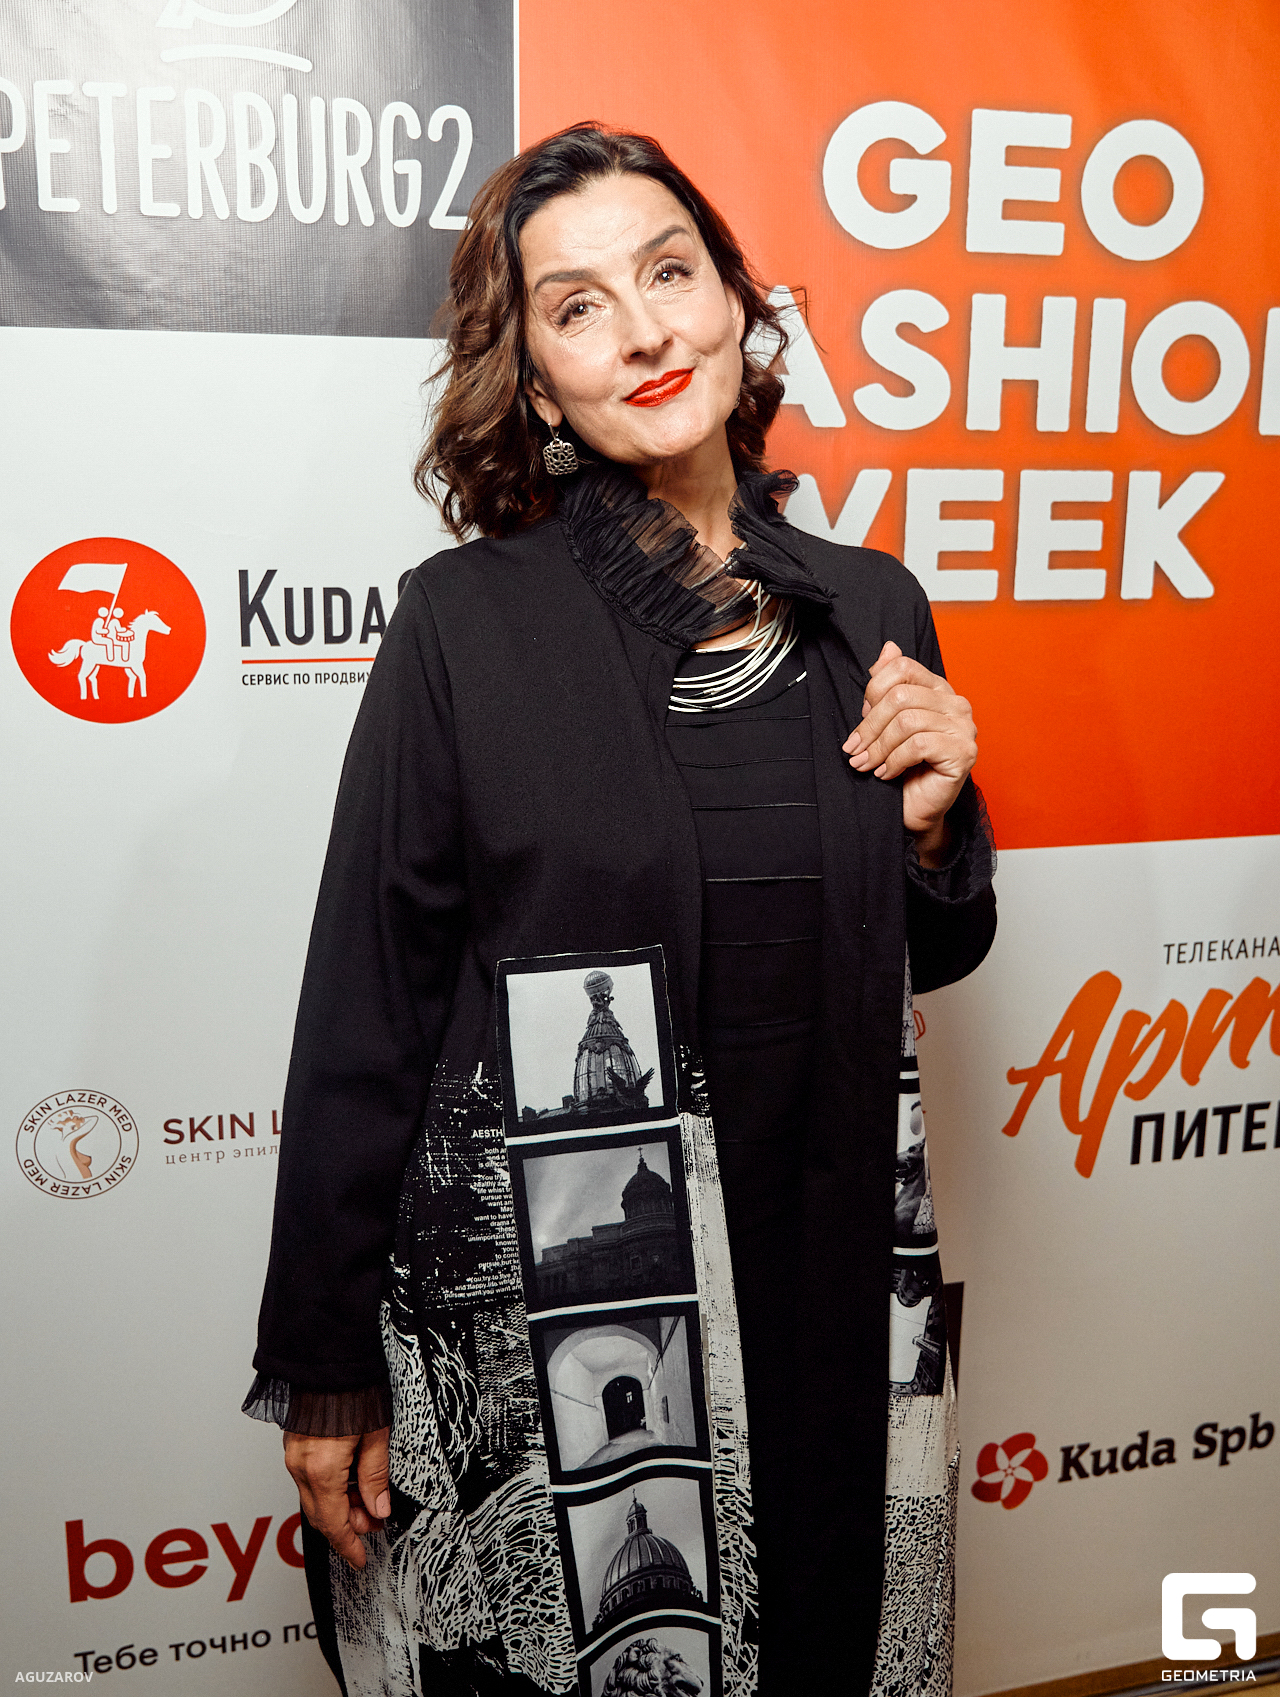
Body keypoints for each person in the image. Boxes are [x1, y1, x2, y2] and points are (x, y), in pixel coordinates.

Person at [245, 124, 995, 1697]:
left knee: (822, 1643)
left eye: (671, 274)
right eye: (579, 307)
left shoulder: (869, 604)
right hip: (570, 1306)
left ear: (734, 302)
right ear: (534, 382)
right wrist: (324, 1362)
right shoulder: (466, 624)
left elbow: (922, 955)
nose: (646, 331)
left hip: (825, 1266)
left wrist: (934, 827)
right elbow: (369, 1005)